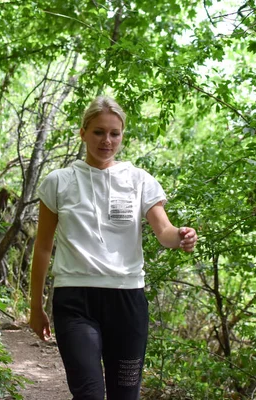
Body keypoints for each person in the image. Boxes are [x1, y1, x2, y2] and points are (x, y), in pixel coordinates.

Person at [29, 96, 198, 400]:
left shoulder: (138, 181)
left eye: (114, 133)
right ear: (83, 132)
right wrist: (35, 306)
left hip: (127, 301)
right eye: (98, 132)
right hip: (75, 300)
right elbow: (42, 248)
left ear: (122, 135)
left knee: (125, 395)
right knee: (89, 394)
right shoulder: (59, 182)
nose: (106, 140)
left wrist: (182, 236)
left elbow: (164, 231)